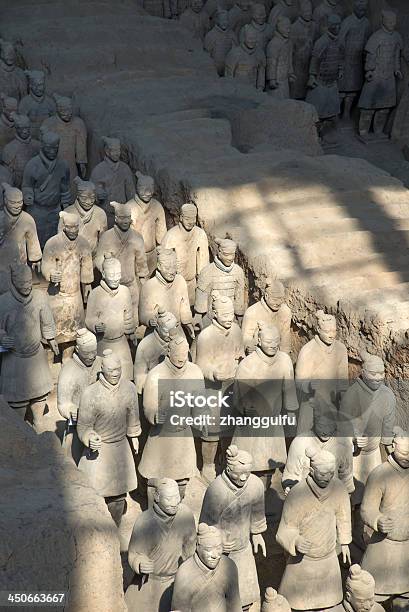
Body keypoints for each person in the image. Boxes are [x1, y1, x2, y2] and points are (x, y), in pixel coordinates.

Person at [277, 448, 352, 611]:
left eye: (330, 473)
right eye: (322, 474)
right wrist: (295, 540)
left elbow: (343, 518)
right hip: (303, 564)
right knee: (300, 605)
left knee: (331, 605)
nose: (326, 478)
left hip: (328, 561)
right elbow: (284, 529)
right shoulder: (297, 494)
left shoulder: (339, 489)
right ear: (311, 471)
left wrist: (345, 542)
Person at [138, 331, 205, 502]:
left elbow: (199, 402)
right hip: (161, 436)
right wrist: (154, 415)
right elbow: (149, 405)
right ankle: (153, 511)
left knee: (182, 477)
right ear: (168, 352)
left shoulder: (195, 372)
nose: (182, 359)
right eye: (178, 355)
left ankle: (176, 505)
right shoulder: (156, 374)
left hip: (183, 434)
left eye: (184, 354)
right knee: (156, 477)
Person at [77, 349, 140, 527]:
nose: (115, 373)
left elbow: (133, 416)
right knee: (94, 493)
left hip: (120, 447)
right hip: (99, 450)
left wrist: (134, 436)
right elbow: (83, 426)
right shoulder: (91, 393)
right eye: (111, 370)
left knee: (119, 494)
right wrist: (89, 437)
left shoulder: (129, 388)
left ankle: (114, 527)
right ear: (102, 369)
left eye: (118, 369)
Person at [199, 445, 267, 611]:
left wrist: (257, 533)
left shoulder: (255, 485)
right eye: (239, 473)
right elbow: (205, 525)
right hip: (222, 552)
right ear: (228, 469)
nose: (244, 478)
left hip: (244, 548)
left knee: (245, 593)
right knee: (221, 597)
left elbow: (257, 512)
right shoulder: (216, 491)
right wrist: (218, 541)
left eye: (247, 473)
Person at [0, 263, 58, 431]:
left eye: (28, 282)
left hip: (36, 355)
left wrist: (51, 338)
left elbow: (47, 320)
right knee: (17, 403)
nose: (26, 286)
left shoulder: (39, 297)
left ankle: (38, 421)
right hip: (14, 358)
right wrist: (2, 338)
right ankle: (20, 429)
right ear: (13, 281)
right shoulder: (4, 302)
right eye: (22, 283)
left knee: (40, 396)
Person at [125, 477, 196, 612]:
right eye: (169, 499)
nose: (175, 503)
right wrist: (139, 563)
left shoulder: (185, 514)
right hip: (151, 583)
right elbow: (134, 553)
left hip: (177, 581)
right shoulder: (144, 521)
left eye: (177, 497)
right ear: (157, 497)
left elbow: (190, 547)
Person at [195, 294, 244, 482]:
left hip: (232, 386)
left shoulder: (236, 331)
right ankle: (208, 465)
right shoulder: (206, 337)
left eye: (231, 313)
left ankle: (226, 459)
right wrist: (214, 374)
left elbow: (239, 353)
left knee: (230, 425)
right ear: (214, 313)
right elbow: (200, 365)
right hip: (213, 389)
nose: (229, 317)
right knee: (212, 429)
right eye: (225, 314)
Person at [361, 429, 409, 611]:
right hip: (383, 548)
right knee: (373, 598)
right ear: (392, 447)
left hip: (407, 550)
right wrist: (377, 520)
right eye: (404, 453)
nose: (407, 457)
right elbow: (366, 509)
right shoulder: (379, 474)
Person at [41, 211, 93, 359]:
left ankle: (67, 360)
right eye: (70, 227)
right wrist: (50, 274)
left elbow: (87, 266)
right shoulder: (53, 243)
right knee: (52, 334)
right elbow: (45, 264)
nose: (73, 230)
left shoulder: (83, 243)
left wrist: (87, 284)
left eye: (76, 227)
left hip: (74, 294)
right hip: (56, 295)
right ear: (64, 227)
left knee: (72, 334)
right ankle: (49, 361)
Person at [95, 201, 149, 326]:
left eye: (128, 218)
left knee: (132, 318)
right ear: (116, 218)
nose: (125, 221)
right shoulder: (106, 237)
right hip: (111, 287)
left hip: (131, 285)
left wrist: (143, 279)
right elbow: (98, 259)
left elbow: (141, 261)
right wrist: (105, 264)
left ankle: (133, 341)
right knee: (113, 320)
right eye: (122, 218)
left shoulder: (137, 237)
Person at [85, 254, 135, 380]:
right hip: (103, 344)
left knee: (126, 377)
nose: (115, 278)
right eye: (111, 275)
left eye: (118, 274)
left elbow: (128, 315)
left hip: (121, 343)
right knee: (104, 378)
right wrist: (95, 326)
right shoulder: (95, 294)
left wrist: (131, 331)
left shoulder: (125, 291)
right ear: (103, 274)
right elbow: (88, 319)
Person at [171, 523, 242, 612]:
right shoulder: (185, 573)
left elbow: (234, 604)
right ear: (197, 546)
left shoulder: (228, 565)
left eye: (219, 548)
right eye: (209, 550)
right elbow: (179, 610)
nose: (215, 555)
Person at [57, 328, 101, 464]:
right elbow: (63, 403)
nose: (91, 356)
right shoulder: (69, 370)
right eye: (87, 352)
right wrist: (72, 410)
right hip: (78, 424)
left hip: (101, 420)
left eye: (94, 351)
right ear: (77, 349)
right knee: (71, 461)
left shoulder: (100, 363)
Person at [22, 130, 71, 247]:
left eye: (56, 148)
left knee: (56, 241)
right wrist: (28, 195)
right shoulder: (32, 164)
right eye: (49, 148)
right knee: (36, 241)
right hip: (37, 210)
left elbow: (65, 186)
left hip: (55, 210)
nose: (52, 151)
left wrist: (66, 206)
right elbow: (27, 185)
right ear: (42, 146)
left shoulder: (63, 165)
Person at [162, 203, 209, 305]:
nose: (191, 222)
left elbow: (203, 261)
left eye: (193, 219)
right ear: (181, 217)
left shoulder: (200, 234)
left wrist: (201, 282)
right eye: (187, 218)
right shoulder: (171, 235)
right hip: (174, 283)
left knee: (192, 308)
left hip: (192, 283)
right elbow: (163, 261)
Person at [41, 94, 87, 184]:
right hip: (53, 162)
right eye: (64, 112)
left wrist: (81, 162)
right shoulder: (49, 123)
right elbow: (43, 146)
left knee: (71, 184)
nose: (68, 114)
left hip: (71, 163)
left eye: (70, 111)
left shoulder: (78, 123)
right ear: (58, 110)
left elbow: (81, 144)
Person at [90, 136, 135, 228]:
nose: (117, 153)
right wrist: (97, 196)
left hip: (122, 216)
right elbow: (89, 194)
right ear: (107, 151)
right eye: (114, 151)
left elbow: (131, 193)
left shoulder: (124, 168)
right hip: (105, 214)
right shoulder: (98, 170)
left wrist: (131, 211)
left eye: (118, 150)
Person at [57, 178, 107, 260]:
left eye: (92, 198)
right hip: (70, 258)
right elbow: (60, 240)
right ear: (78, 196)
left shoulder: (100, 213)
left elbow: (103, 241)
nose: (88, 201)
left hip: (92, 259)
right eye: (84, 198)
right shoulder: (68, 212)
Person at [128, 171, 166, 274]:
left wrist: (162, 252)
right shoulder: (129, 208)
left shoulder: (157, 206)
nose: (148, 193)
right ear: (137, 188)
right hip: (133, 258)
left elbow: (161, 236)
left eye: (150, 189)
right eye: (143, 188)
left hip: (152, 255)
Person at [242, 277, 291, 355]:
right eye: (275, 299)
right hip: (257, 354)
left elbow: (285, 337)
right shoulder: (252, 312)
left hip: (276, 353)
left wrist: (285, 358)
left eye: (281, 299)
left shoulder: (285, 311)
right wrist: (249, 346)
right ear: (266, 296)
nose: (278, 303)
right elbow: (246, 337)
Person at [2, 113, 40, 188]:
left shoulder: (37, 145)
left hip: (36, 186)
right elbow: (6, 174)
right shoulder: (9, 148)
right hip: (17, 187)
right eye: (21, 128)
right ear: (16, 128)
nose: (25, 131)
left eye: (27, 128)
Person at [18, 70, 56, 139]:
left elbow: (55, 123)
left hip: (47, 140)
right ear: (30, 86)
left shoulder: (50, 102)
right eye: (36, 85)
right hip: (30, 141)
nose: (39, 88)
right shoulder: (24, 103)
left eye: (41, 85)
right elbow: (21, 126)